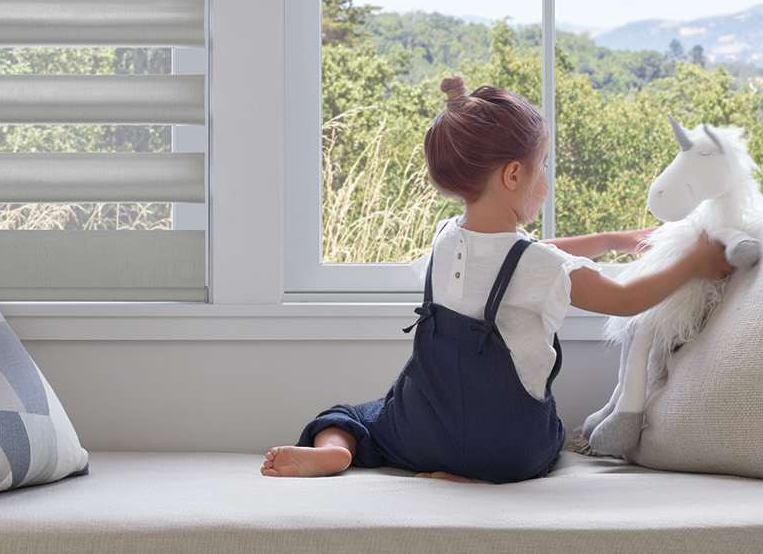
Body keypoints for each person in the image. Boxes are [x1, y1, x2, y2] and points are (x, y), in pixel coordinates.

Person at [261, 75, 734, 484]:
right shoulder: (540, 267)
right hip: (512, 449)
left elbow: (520, 255)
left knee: (349, 417)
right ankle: (474, 475)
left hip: (427, 429)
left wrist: (612, 239)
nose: (546, 176)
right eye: (543, 165)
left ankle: (337, 451)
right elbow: (626, 298)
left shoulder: (445, 238)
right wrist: (694, 261)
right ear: (513, 175)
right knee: (547, 438)